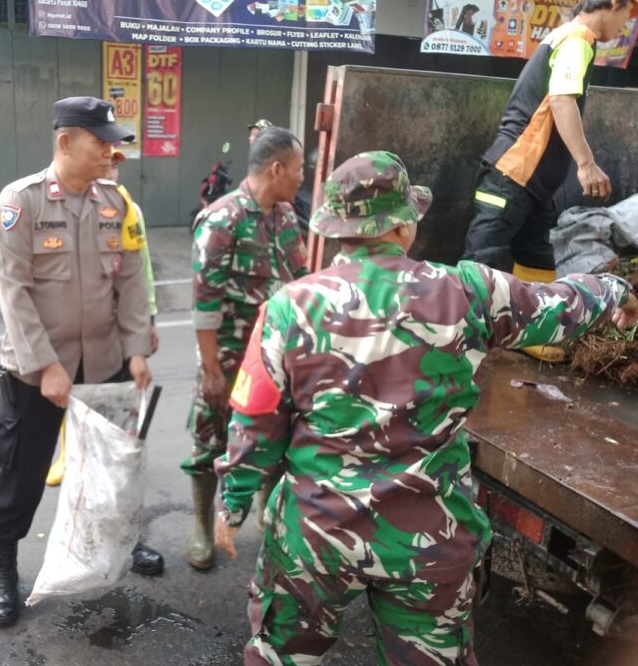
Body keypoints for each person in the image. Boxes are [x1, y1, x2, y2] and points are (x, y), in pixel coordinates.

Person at [214, 151, 638, 665]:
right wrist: (614, 288)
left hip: (315, 538)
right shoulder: (467, 290)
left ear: (338, 230)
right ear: (404, 225)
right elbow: (560, 307)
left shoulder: (288, 306)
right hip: (427, 541)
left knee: (278, 657)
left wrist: (232, 506)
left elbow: (255, 423)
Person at [0, 96, 163, 628]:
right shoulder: (21, 203)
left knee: (115, 469)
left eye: (114, 143)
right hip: (36, 373)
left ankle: (121, 544)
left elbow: (131, 281)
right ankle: (4, 569)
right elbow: (13, 293)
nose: (112, 152)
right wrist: (46, 367)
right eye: (101, 142)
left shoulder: (118, 203)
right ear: (65, 142)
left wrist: (135, 351)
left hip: (106, 362)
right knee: (21, 478)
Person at [461, 0, 637, 360]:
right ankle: (463, 340)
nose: (627, 24)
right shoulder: (577, 39)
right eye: (629, 13)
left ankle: (533, 331)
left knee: (536, 254)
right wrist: (586, 164)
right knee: (485, 255)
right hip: (513, 173)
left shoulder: (567, 37)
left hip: (537, 182)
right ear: (614, 1)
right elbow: (561, 100)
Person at [185, 126, 310, 571]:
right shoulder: (223, 220)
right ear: (275, 169)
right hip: (228, 356)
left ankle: (264, 514)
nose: (301, 177)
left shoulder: (286, 217)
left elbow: (301, 281)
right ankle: (201, 527)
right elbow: (204, 306)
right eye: (297, 169)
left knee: (275, 438)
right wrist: (211, 370)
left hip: (273, 358)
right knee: (210, 441)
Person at [45, 146, 160, 486]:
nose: (111, 169)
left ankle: (112, 458)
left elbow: (141, 273)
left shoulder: (127, 208)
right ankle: (69, 454)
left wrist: (149, 319)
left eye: (115, 165)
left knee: (116, 398)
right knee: (73, 390)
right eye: (106, 161)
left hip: (116, 326)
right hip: (79, 328)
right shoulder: (65, 204)